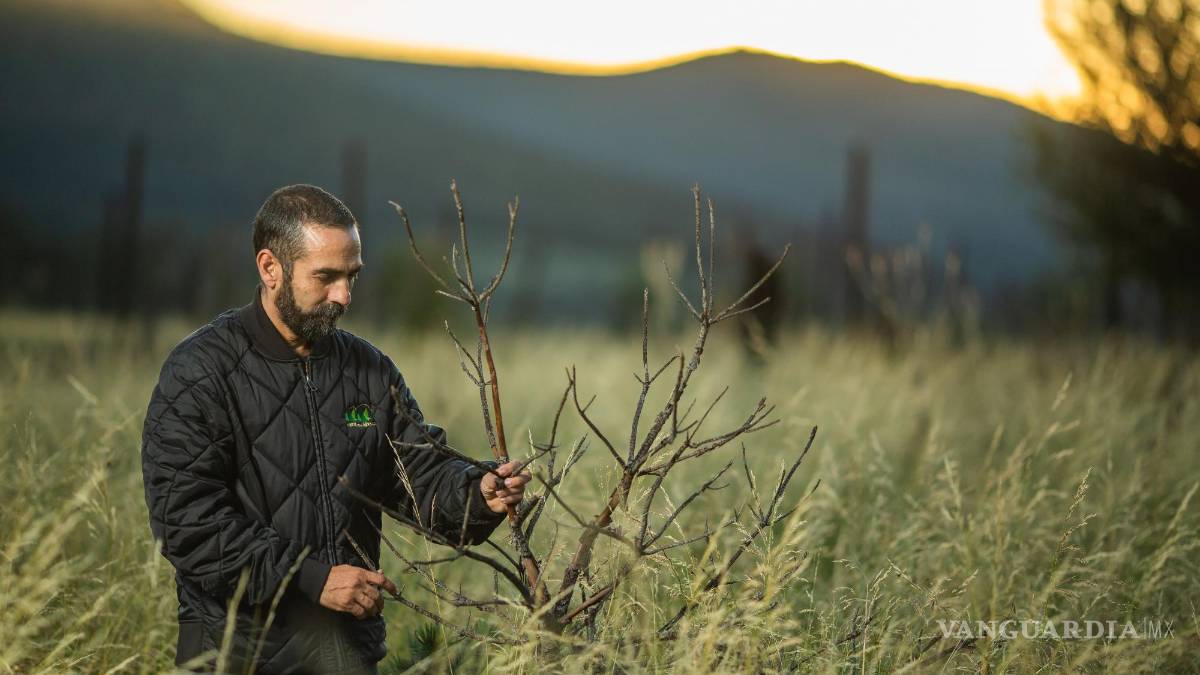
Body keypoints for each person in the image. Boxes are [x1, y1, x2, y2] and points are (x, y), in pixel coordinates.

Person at [140, 184, 529, 673]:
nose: (343, 295)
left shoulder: (369, 371)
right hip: (233, 654)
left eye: (352, 276)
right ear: (269, 267)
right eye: (325, 277)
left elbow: (420, 476)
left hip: (343, 654)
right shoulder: (200, 372)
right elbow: (187, 526)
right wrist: (311, 579)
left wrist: (479, 493)